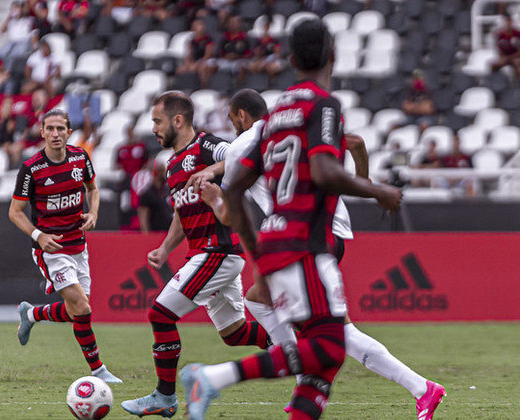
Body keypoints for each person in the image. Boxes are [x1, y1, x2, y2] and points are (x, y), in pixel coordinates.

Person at [178, 19, 408, 420]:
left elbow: (233, 188)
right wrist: (378, 191)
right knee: (329, 348)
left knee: (323, 365)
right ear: (333, 55)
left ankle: (226, 382)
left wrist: (257, 254)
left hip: (279, 244)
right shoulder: (323, 105)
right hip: (307, 243)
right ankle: (212, 377)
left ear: (288, 59)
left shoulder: (278, 112)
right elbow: (324, 172)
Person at [204, 88, 448, 419]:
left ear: (241, 117)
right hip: (331, 230)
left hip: (304, 236)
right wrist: (365, 183)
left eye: (233, 120)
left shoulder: (242, 145)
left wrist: (214, 198)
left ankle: (421, 388)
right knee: (261, 300)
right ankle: (306, 377)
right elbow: (358, 143)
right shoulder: (291, 126)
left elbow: (230, 213)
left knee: (335, 333)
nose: (234, 126)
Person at [120, 91, 271, 418]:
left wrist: (212, 172)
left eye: (158, 122)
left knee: (160, 314)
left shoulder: (206, 145)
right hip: (206, 253)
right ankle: (299, 347)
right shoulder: (172, 163)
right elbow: (181, 212)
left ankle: (164, 396)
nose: (154, 129)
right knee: (235, 334)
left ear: (178, 120)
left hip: (217, 251)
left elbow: (239, 154)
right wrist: (164, 247)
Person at [9, 109, 122, 384]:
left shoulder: (80, 157)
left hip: (78, 246)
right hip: (51, 250)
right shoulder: (32, 168)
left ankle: (32, 314)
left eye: (61, 129)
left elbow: (92, 190)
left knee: (76, 312)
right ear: (42, 132)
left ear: (69, 132)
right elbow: (15, 211)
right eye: (50, 129)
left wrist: (93, 214)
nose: (55, 134)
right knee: (82, 309)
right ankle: (98, 371)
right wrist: (38, 236)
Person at [136, 159, 172, 233]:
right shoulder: (146, 194)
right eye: (162, 171)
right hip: (155, 233)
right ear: (156, 173)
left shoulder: (166, 191)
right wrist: (147, 236)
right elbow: (143, 218)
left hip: (168, 233)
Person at [0, 2, 36, 68]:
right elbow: (1, 30)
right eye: (14, 9)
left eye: (17, 8)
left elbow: (34, 34)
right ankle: (6, 70)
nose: (16, 11)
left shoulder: (29, 20)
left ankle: (10, 71)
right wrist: (9, 17)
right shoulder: (10, 21)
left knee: (15, 54)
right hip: (11, 42)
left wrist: (34, 46)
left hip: (24, 42)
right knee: (1, 53)